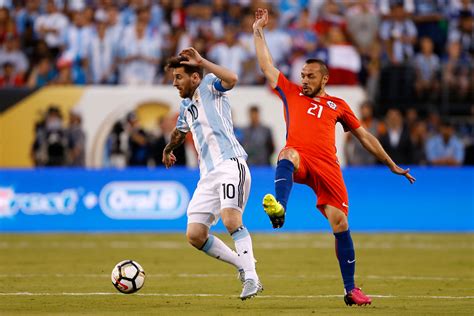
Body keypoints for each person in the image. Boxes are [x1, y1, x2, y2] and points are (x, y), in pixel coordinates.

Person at [252, 8, 415, 307]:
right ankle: (279, 208)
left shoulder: (338, 105)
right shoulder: (291, 93)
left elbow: (364, 136)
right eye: (302, 75)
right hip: (300, 159)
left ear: (324, 79)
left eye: (310, 76)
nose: (304, 80)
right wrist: (258, 31)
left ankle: (351, 290)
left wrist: (391, 164)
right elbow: (267, 66)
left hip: (328, 167)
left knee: (340, 223)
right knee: (287, 152)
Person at [162, 47, 262, 300]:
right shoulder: (185, 106)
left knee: (231, 220)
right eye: (174, 78)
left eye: (179, 78)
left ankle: (251, 277)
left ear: (194, 77)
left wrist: (202, 61)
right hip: (207, 175)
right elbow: (179, 132)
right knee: (195, 235)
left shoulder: (209, 85)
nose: (175, 83)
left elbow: (233, 79)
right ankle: (241, 264)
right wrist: (168, 148)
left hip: (231, 164)